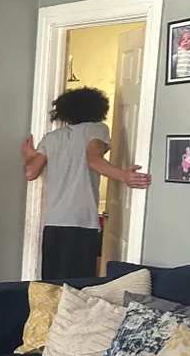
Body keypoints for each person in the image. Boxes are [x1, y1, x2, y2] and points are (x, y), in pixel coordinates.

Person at [21, 86, 152, 280]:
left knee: (52, 286)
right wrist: (124, 176)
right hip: (82, 224)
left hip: (53, 225)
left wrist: (31, 157)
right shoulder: (97, 129)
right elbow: (94, 160)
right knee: (79, 287)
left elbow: (30, 172)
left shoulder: (51, 138)